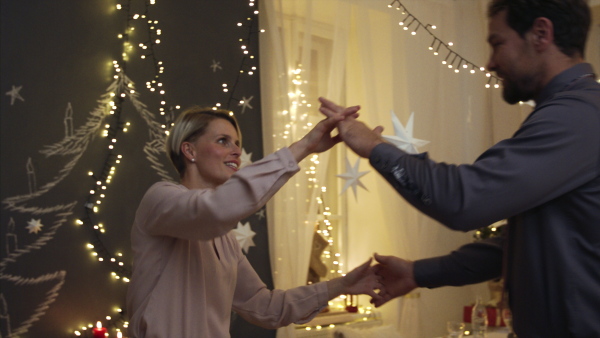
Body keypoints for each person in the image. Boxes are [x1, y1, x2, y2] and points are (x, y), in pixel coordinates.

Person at [318, 0, 600, 336]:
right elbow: (518, 246)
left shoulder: (578, 117)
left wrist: (373, 146)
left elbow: (463, 200)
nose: (491, 62)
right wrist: (417, 273)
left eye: (497, 43)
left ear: (541, 33)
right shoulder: (573, 113)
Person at [126, 106, 382, 337]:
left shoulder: (224, 239)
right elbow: (213, 210)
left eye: (236, 143)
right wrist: (305, 145)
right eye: (223, 141)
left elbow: (266, 307)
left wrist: (342, 285)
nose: (236, 151)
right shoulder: (160, 199)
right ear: (189, 150)